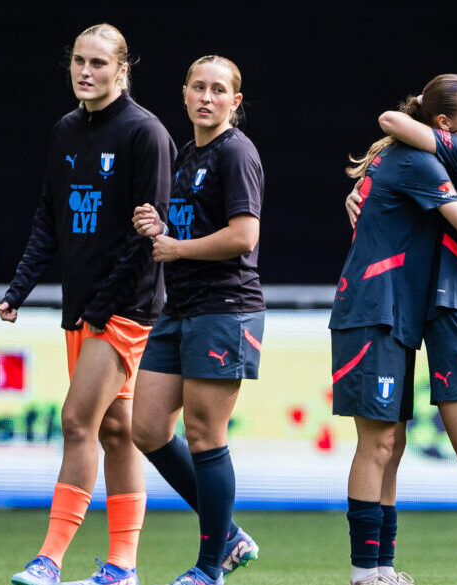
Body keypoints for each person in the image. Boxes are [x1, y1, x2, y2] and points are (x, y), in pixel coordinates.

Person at [0, 23, 176, 585]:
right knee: (116, 432)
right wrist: (18, 288)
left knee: (76, 420)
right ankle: (123, 567)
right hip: (82, 306)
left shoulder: (146, 133)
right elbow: (49, 219)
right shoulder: (65, 131)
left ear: (123, 70)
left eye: (99, 63)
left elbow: (146, 234)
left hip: (126, 306)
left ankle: (49, 559)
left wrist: (101, 303)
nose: (85, 71)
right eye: (79, 60)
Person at [330, 74, 457, 585]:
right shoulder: (419, 160)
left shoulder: (429, 156)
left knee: (391, 445)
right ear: (441, 123)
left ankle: (380, 570)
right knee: (381, 446)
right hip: (375, 311)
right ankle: (370, 573)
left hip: (397, 314)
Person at [130, 55, 264, 585]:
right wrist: (157, 223)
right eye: (198, 88)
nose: (206, 98)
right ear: (184, 93)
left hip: (225, 308)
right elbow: (187, 226)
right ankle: (228, 533)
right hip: (180, 309)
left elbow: (243, 236)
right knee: (147, 430)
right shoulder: (188, 154)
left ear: (235, 101)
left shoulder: (237, 152)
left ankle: (211, 568)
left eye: (218, 90)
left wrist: (178, 247)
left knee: (206, 436)